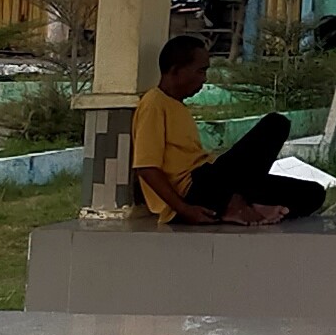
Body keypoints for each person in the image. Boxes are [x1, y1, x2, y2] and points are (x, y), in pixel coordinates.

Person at [132, 34, 322, 226]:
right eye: (200, 71)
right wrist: (185, 209)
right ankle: (233, 205)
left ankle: (240, 204)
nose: (204, 80)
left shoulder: (179, 106)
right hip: (195, 189)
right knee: (275, 124)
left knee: (313, 194)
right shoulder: (154, 103)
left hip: (215, 184)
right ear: (175, 71)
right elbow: (147, 168)